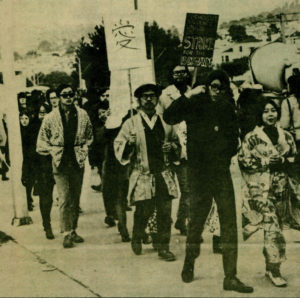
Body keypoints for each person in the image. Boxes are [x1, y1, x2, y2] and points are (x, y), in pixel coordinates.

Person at [163, 70, 253, 293]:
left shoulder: (227, 108)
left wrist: (221, 152)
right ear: (205, 87)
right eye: (212, 86)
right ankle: (189, 263)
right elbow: (169, 116)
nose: (216, 90)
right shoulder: (194, 104)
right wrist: (189, 95)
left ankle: (230, 276)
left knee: (229, 223)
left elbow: (234, 140)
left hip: (220, 172)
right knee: (196, 223)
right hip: (199, 173)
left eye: (220, 87)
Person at [115, 83, 180, 261]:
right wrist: (129, 143)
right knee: (144, 210)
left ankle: (163, 246)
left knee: (165, 211)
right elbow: (119, 147)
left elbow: (177, 143)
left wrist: (172, 146)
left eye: (152, 96)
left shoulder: (166, 122)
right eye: (145, 96)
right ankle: (137, 235)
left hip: (163, 172)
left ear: (157, 99)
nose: (149, 99)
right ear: (139, 100)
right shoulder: (131, 123)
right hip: (143, 173)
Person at [238, 98, 296, 287]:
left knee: (277, 227)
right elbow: (243, 161)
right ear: (259, 115)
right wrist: (264, 163)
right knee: (272, 229)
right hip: (260, 190)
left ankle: (270, 265)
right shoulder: (250, 137)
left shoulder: (286, 136)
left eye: (273, 110)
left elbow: (295, 157)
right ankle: (274, 269)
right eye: (265, 111)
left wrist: (285, 162)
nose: (270, 114)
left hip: (281, 187)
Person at [37, 84, 93, 248]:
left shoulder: (83, 115)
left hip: (77, 162)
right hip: (60, 163)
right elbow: (41, 142)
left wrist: (83, 149)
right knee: (64, 198)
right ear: (59, 98)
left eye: (70, 94)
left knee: (75, 198)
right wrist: (53, 150)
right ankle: (66, 233)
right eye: (64, 95)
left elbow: (90, 135)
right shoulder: (50, 117)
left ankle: (73, 229)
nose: (68, 98)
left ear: (75, 96)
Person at [158, 65, 192, 235]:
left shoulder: (194, 93)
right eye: (176, 72)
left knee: (188, 188)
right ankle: (163, 225)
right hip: (168, 146)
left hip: (187, 147)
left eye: (182, 72)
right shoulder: (165, 95)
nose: (179, 75)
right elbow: (159, 120)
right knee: (167, 190)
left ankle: (182, 220)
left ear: (188, 74)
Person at [35, 104, 56, 239]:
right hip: (41, 168)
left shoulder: (55, 126)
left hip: (56, 163)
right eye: (40, 113)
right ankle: (47, 225)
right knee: (46, 197)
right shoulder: (33, 129)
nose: (43, 116)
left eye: (45, 112)